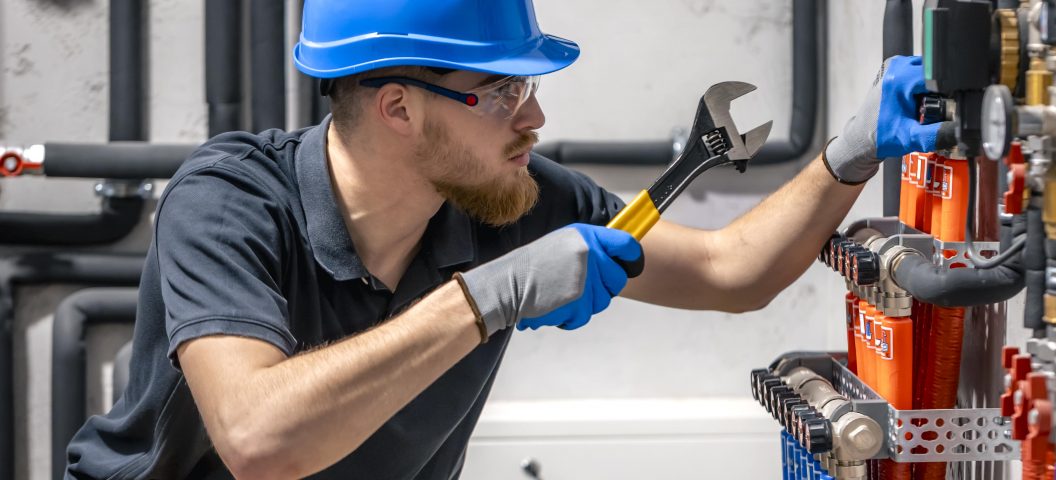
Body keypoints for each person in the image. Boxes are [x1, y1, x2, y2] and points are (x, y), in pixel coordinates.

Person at [64, 0, 949, 478]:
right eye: (501, 91)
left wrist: (847, 154)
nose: (535, 118)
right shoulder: (226, 202)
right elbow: (261, 441)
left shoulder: (509, 199)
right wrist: (489, 298)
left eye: (529, 89)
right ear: (398, 107)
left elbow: (730, 270)